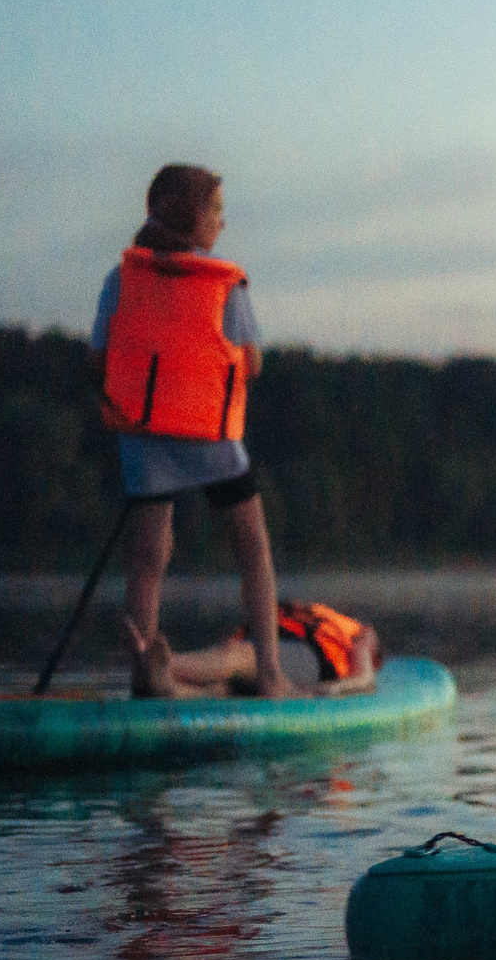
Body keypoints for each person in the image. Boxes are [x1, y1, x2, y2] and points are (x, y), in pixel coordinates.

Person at [90, 163, 291, 698]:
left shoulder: (121, 279)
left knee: (148, 557)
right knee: (252, 549)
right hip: (210, 436)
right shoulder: (224, 283)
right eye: (218, 211)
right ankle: (270, 674)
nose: (223, 223)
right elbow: (251, 364)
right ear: (193, 215)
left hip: (146, 438)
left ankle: (145, 672)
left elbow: (99, 360)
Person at [122, 601, 380, 698]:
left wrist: (335, 689)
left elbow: (364, 677)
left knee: (242, 657)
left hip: (308, 662)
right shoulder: (335, 624)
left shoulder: (363, 634)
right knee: (225, 688)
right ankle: (170, 688)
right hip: (292, 656)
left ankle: (159, 664)